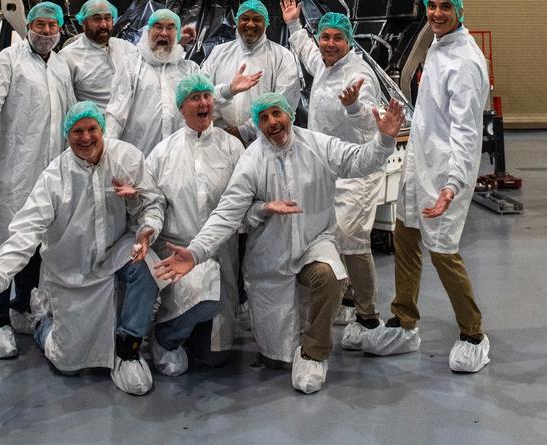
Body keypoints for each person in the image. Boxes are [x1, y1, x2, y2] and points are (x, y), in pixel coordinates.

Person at [155, 90, 405, 395]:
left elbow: (357, 161)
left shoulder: (316, 144)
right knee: (277, 361)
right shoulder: (252, 161)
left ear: (289, 114)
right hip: (270, 257)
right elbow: (227, 213)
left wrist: (384, 141)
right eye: (264, 117)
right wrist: (195, 253)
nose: (272, 122)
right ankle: (286, 351)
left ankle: (315, 352)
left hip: (314, 241)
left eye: (277, 114)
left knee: (331, 277)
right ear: (258, 125)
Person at [0, 102, 163, 394]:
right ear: (67, 135)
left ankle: (128, 348)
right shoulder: (54, 177)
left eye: (92, 130)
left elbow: (153, 202)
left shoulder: (127, 158)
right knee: (68, 363)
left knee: (146, 264)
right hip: (71, 271)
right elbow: (25, 234)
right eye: (78, 131)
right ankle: (42, 323)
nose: (86, 138)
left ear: (102, 129)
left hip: (114, 255)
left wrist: (147, 227)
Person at [361, 0, 491, 373]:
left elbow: (467, 133)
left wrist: (452, 185)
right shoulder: (440, 43)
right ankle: (404, 321)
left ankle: (473, 334)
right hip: (421, 164)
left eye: (444, 8)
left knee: (443, 253)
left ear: (459, 13)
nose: (436, 14)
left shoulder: (465, 62)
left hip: (446, 170)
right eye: (431, 6)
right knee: (405, 236)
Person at [0, 1, 74, 359]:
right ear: (29, 27)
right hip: (14, 170)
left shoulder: (60, 65)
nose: (45, 31)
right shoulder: (9, 60)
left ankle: (22, 306)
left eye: (51, 26)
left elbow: (70, 114)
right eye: (39, 25)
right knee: (6, 241)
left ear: (59, 30)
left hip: (49, 172)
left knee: (38, 242)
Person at [280, 0, 389, 351]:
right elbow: (308, 52)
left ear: (349, 41)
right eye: (324, 36)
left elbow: (373, 125)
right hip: (328, 168)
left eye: (336, 39)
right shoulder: (326, 65)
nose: (328, 44)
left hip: (357, 170)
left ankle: (368, 314)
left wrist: (354, 105)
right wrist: (294, 24)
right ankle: (344, 300)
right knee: (331, 232)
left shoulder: (359, 75)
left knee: (351, 238)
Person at [144, 73, 244, 376]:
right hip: (178, 252)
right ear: (181, 107)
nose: (203, 103)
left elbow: (245, 200)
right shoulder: (163, 153)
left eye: (207, 97)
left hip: (222, 252)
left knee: (214, 357)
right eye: (195, 98)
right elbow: (152, 202)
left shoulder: (232, 148)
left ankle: (194, 333)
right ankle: (165, 337)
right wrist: (146, 222)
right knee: (188, 306)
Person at [201, 0, 301, 143]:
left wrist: (245, 131)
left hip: (264, 142)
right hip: (219, 139)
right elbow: (203, 93)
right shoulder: (219, 53)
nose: (250, 24)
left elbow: (285, 102)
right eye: (245, 19)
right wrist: (220, 129)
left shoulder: (282, 56)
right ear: (237, 21)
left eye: (257, 19)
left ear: (266, 23)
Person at [104, 9, 199, 154]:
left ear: (177, 34)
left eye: (170, 28)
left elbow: (206, 102)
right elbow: (116, 113)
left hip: (178, 156)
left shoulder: (189, 70)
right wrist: (108, 152)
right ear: (148, 31)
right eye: (158, 27)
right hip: (138, 156)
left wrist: (228, 90)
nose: (164, 33)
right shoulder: (131, 66)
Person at [61, 0, 138, 109]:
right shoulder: (68, 56)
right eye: (96, 19)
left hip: (128, 123)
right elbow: (65, 102)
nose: (103, 25)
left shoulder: (125, 47)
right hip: (96, 123)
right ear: (83, 22)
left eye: (107, 18)